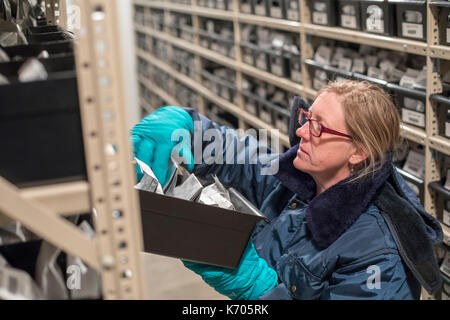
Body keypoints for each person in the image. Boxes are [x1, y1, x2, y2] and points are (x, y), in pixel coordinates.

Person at [131, 80, 443, 300]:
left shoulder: (378, 254)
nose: (300, 131)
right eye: (308, 118)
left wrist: (258, 287)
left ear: (358, 152)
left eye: (318, 127)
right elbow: (244, 158)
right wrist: (186, 127)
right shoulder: (306, 179)